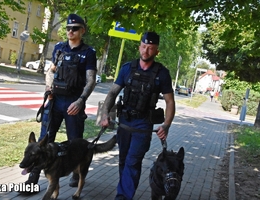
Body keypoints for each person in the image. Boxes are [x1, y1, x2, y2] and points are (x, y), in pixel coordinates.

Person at [24, 13, 97, 188]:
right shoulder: (59, 48)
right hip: (55, 101)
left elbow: (91, 80)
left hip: (73, 102)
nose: (70, 31)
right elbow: (51, 71)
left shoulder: (88, 53)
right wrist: (48, 88)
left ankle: (75, 172)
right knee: (44, 140)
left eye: (75, 28)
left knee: (75, 141)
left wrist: (80, 101)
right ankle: (33, 177)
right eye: (68, 28)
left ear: (82, 31)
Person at [100, 32, 175, 200]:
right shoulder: (127, 68)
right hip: (125, 122)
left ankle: (123, 197)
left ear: (156, 51)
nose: (146, 51)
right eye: (143, 46)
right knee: (123, 160)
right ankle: (125, 190)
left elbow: (170, 102)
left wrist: (166, 125)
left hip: (143, 126)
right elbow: (112, 93)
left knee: (132, 162)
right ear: (139, 46)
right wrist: (105, 115)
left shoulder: (162, 74)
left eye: (150, 48)